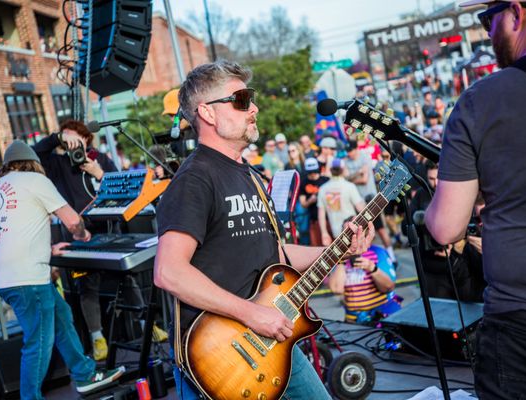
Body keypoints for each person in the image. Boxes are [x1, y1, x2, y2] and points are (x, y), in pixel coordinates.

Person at [153, 60, 374, 400]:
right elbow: (169, 272)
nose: (253, 108)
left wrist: (340, 250)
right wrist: (252, 313)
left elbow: (276, 254)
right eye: (241, 100)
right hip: (222, 356)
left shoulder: (250, 176)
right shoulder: (195, 179)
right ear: (208, 114)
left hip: (275, 340)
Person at [424, 2, 526, 398]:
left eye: (488, 20)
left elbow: (446, 227)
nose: (488, 33)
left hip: (522, 319)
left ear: (516, 12)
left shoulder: (482, 99)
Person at [0, 140, 124, 399]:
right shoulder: (35, 180)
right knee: (38, 342)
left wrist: (47, 250)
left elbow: (8, 237)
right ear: (33, 162)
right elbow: (72, 220)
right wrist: (82, 233)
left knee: (61, 315)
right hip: (28, 278)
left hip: (4, 278)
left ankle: (84, 374)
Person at [33, 119, 117, 361]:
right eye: (65, 138)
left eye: (74, 138)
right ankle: (97, 337)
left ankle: (145, 324)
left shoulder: (98, 158)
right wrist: (57, 139)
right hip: (76, 234)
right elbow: (36, 152)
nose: (71, 143)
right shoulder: (56, 163)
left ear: (86, 140)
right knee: (86, 286)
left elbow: (124, 186)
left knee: (126, 278)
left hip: (107, 228)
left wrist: (98, 173)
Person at [317, 158, 365, 245]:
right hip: (351, 230)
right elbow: (360, 208)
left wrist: (324, 233)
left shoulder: (323, 189)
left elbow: (321, 214)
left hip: (336, 233)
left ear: (330, 170)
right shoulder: (349, 186)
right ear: (343, 170)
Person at [299, 157, 330, 246]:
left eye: (314, 171)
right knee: (316, 247)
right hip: (314, 220)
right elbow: (303, 204)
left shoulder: (326, 180)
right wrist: (310, 200)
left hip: (329, 219)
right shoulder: (304, 182)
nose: (313, 174)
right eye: (310, 172)